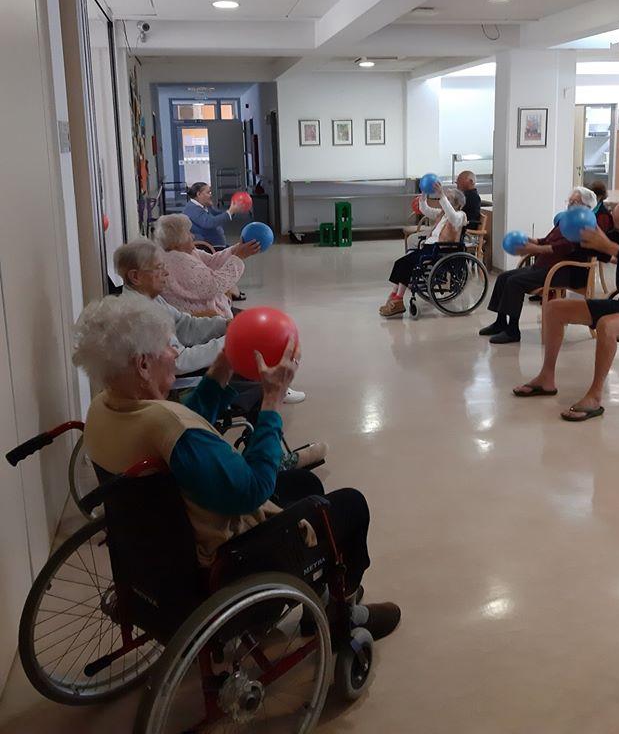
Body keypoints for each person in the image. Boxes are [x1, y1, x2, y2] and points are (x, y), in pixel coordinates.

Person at [72, 295, 400, 639]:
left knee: (304, 484)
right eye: (169, 346)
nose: (175, 354)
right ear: (142, 364)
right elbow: (252, 490)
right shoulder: (170, 429)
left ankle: (318, 599)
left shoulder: (105, 409)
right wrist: (272, 401)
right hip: (223, 559)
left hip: (160, 553)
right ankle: (342, 618)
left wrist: (222, 368)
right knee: (350, 505)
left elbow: (181, 426)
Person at [513, 201, 619, 421]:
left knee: (607, 325)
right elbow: (586, 248)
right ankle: (546, 378)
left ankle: (595, 396)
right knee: (554, 309)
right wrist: (540, 245)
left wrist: (611, 247)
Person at [114, 239, 307, 405]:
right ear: (135, 276)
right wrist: (230, 343)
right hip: (177, 378)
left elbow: (184, 325)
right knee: (255, 377)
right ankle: (270, 409)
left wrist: (225, 325)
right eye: (158, 268)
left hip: (183, 364)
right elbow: (179, 362)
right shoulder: (140, 314)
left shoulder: (149, 298)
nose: (166, 273)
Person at [479, 186, 610, 344]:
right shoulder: (566, 220)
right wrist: (533, 241)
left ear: (586, 206)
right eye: (569, 201)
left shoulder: (585, 225)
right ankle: (500, 322)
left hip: (563, 271)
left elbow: (565, 246)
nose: (570, 204)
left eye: (574, 202)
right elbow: (549, 240)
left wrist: (534, 249)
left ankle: (512, 330)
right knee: (503, 277)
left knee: (514, 282)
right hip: (545, 266)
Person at [380, 183, 467, 317]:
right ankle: (395, 296)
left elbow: (453, 217)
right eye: (445, 197)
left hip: (441, 250)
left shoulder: (460, 215)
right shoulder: (442, 214)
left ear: (457, 203)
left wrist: (441, 195)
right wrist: (424, 195)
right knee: (400, 262)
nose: (443, 200)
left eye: (448, 198)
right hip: (430, 247)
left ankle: (397, 299)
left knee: (406, 263)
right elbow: (425, 210)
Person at [155, 213, 258, 320]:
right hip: (206, 319)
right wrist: (239, 256)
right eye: (188, 233)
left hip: (215, 311)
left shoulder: (187, 252)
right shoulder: (177, 261)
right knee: (254, 322)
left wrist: (237, 249)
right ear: (176, 242)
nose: (193, 236)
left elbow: (212, 261)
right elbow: (214, 286)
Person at [183, 182, 242, 248]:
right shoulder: (192, 209)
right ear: (199, 194)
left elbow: (217, 214)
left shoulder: (204, 205)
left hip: (215, 245)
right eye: (208, 193)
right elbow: (210, 222)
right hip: (207, 247)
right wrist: (230, 212)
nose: (210, 195)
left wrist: (232, 211)